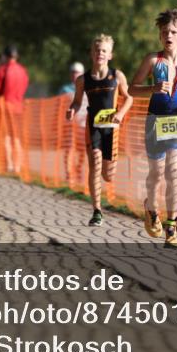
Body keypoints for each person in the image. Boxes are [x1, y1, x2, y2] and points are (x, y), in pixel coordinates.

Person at [129, 9, 177, 247]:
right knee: (157, 174)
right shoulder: (153, 60)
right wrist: (151, 89)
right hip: (155, 121)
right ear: (160, 37)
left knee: (173, 173)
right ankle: (151, 209)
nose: (168, 35)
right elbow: (132, 89)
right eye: (164, 32)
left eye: (173, 31)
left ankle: (172, 226)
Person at [66, 36, 133, 227]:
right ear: (91, 53)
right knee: (94, 162)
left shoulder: (117, 76)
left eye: (104, 50)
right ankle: (97, 211)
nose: (100, 53)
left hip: (112, 129)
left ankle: (106, 178)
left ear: (110, 55)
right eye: (96, 50)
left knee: (108, 175)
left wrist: (120, 113)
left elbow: (129, 98)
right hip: (93, 126)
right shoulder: (82, 80)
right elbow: (77, 101)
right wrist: (72, 109)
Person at [0, 45, 29, 173]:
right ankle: (17, 166)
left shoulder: (2, 69)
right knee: (17, 136)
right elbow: (25, 85)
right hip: (19, 106)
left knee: (6, 135)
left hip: (5, 106)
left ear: (5, 56)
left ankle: (9, 164)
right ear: (16, 56)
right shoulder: (23, 70)